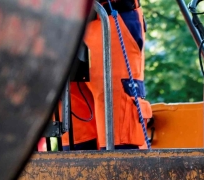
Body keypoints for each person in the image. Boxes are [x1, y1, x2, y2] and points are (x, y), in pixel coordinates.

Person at [51, 0, 152, 151]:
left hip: (110, 15)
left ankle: (122, 172)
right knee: (74, 136)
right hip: (61, 22)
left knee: (117, 129)